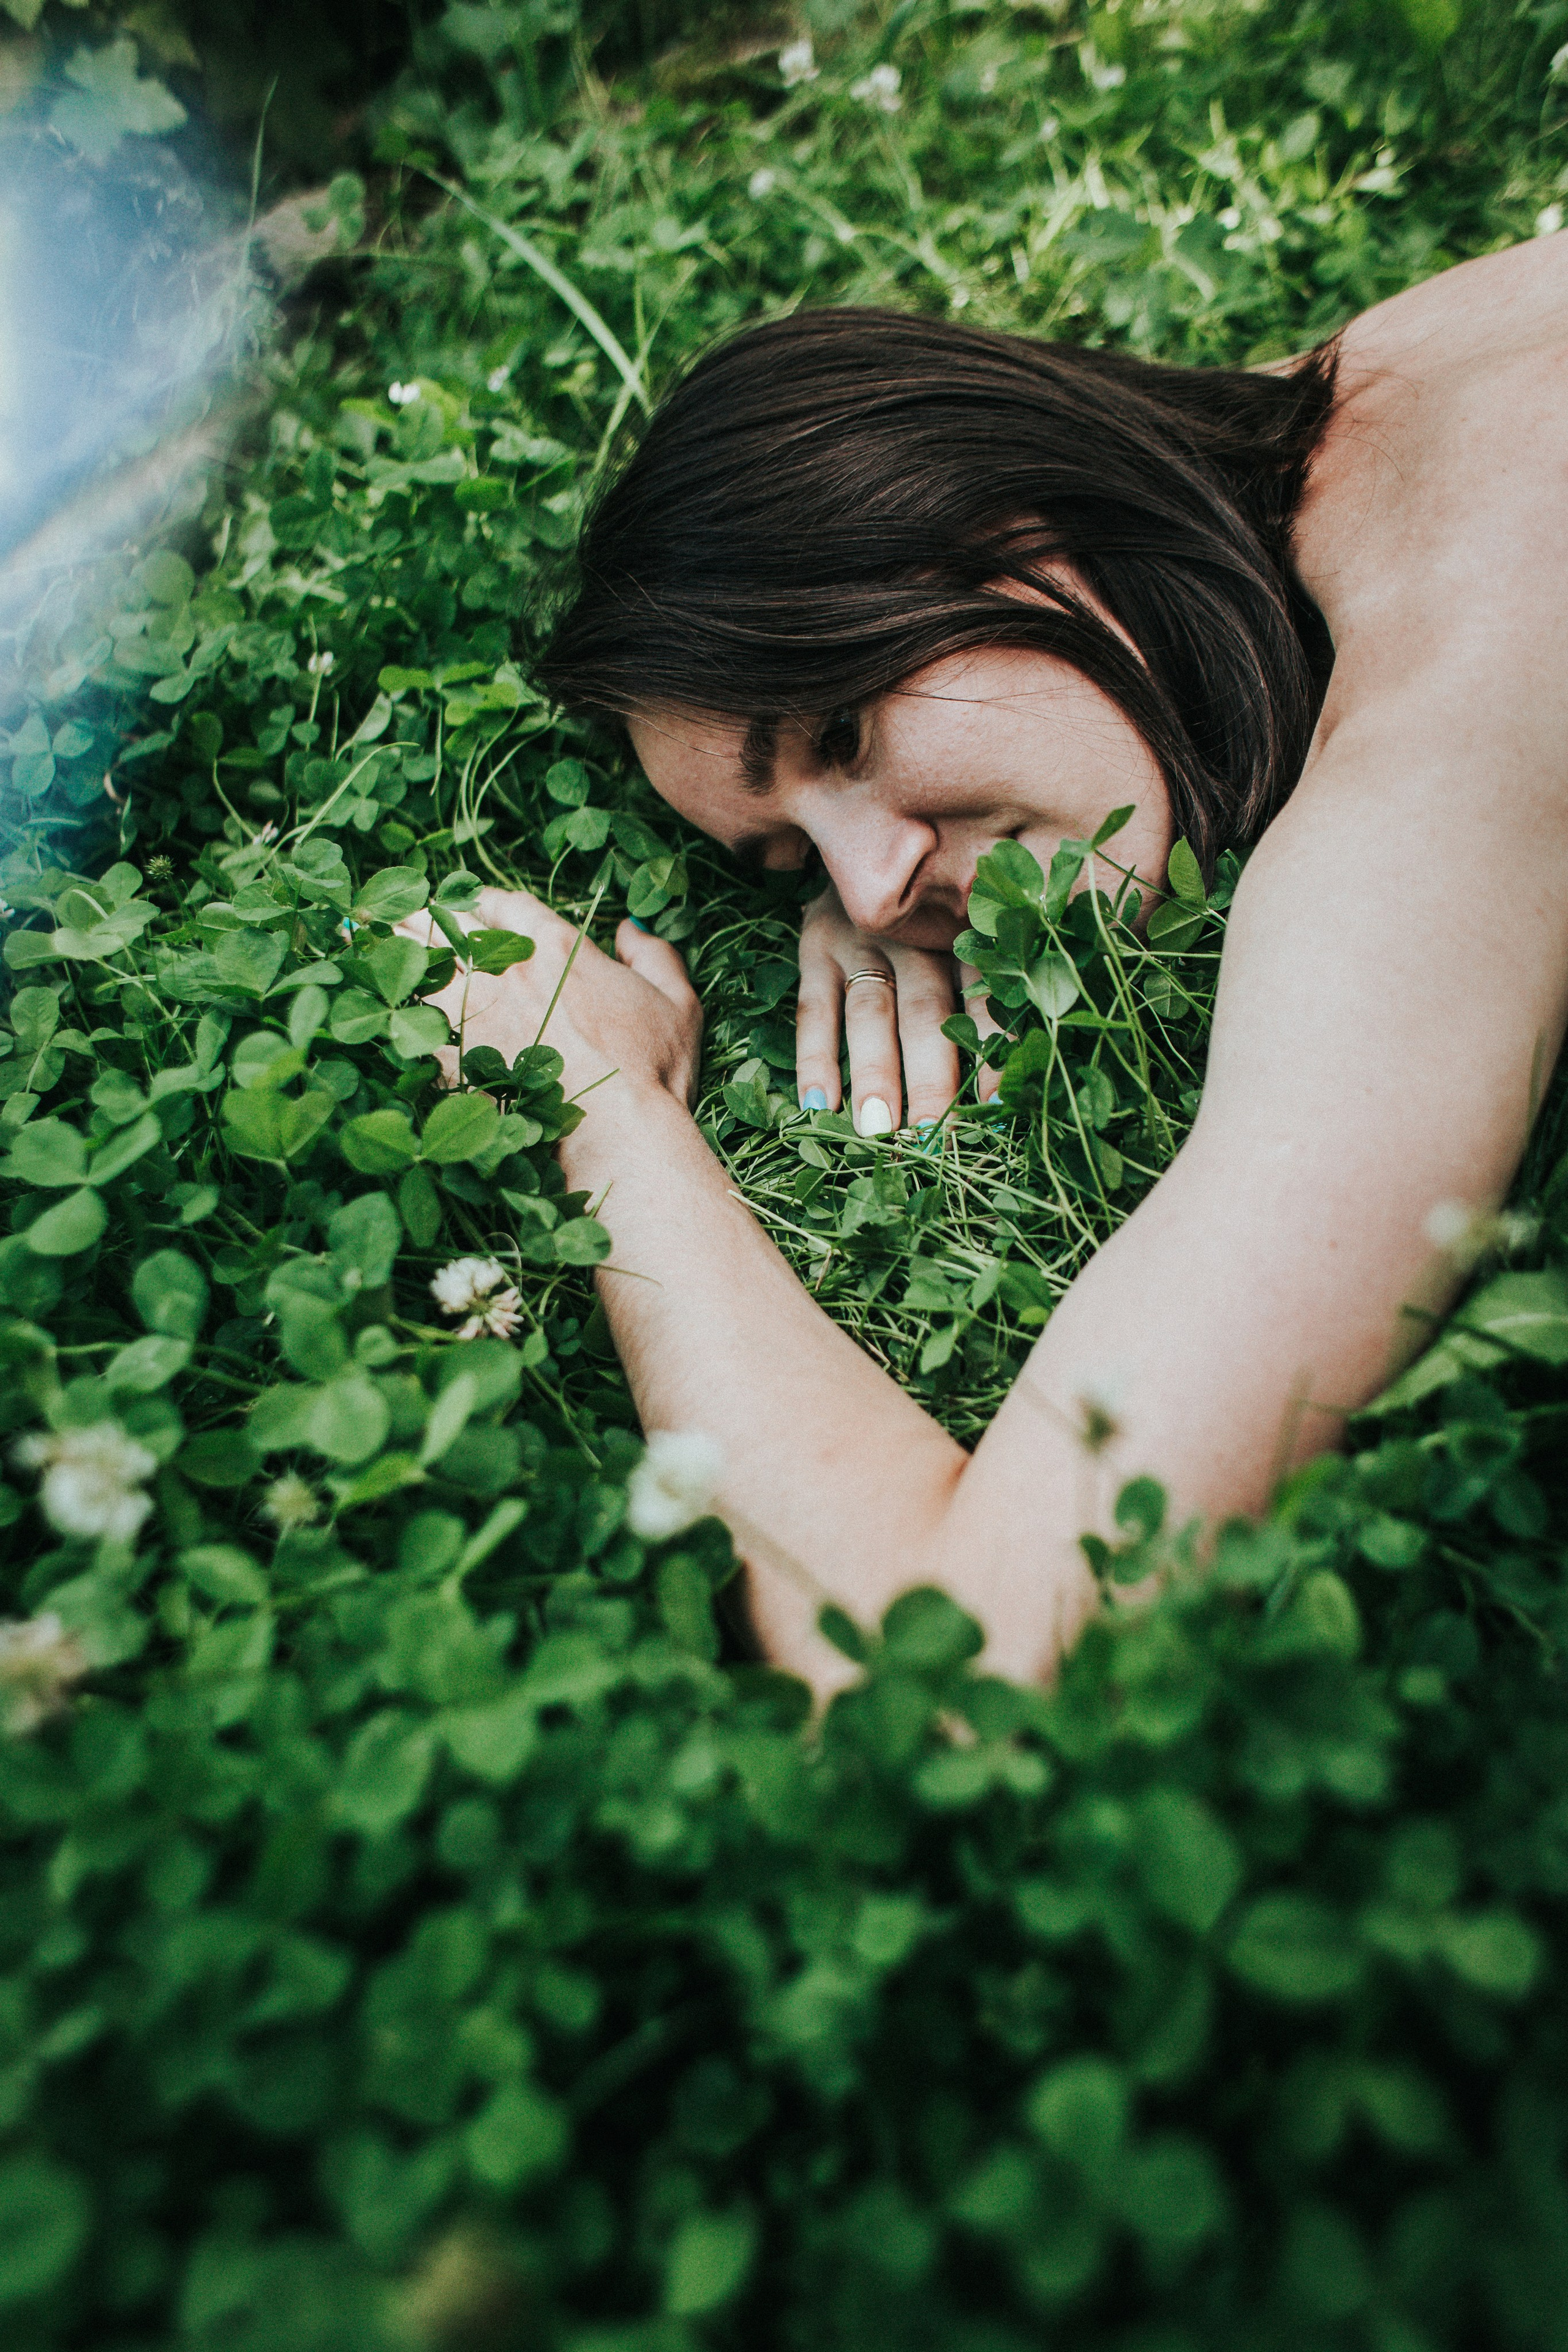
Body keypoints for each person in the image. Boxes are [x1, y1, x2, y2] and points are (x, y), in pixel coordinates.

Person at [403, 243, 1568, 1698]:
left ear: (1004, 508)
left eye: (837, 727)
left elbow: (960, 1671)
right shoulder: (1372, 386)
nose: (877, 890)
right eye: (790, 858)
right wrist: (870, 812)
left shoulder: (1450, 736)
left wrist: (600, 1104)